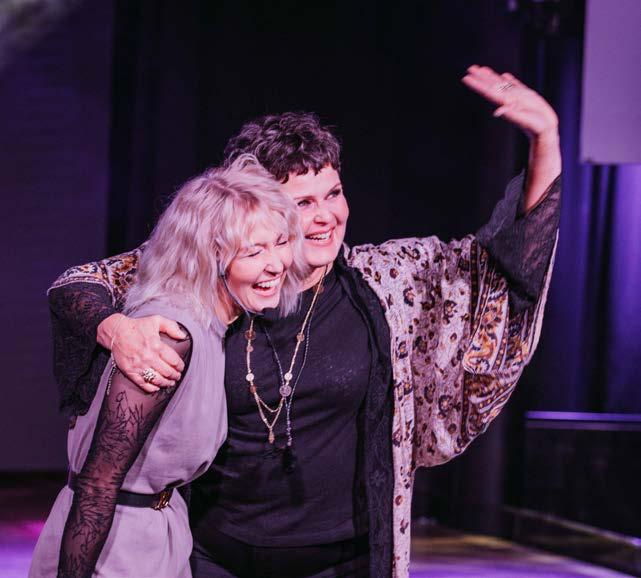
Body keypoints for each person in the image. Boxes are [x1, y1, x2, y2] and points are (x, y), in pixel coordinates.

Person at [46, 66, 562, 577]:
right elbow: (79, 284)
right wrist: (116, 328)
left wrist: (545, 140)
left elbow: (502, 265)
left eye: (333, 193)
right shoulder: (208, 273)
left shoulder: (389, 281)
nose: (325, 216)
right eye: (303, 203)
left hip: (342, 560)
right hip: (213, 554)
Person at [30, 155, 305, 578]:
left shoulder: (214, 327)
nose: (276, 263)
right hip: (111, 550)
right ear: (212, 256)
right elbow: (97, 484)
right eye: (254, 250)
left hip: (158, 535)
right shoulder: (169, 335)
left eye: (280, 242)